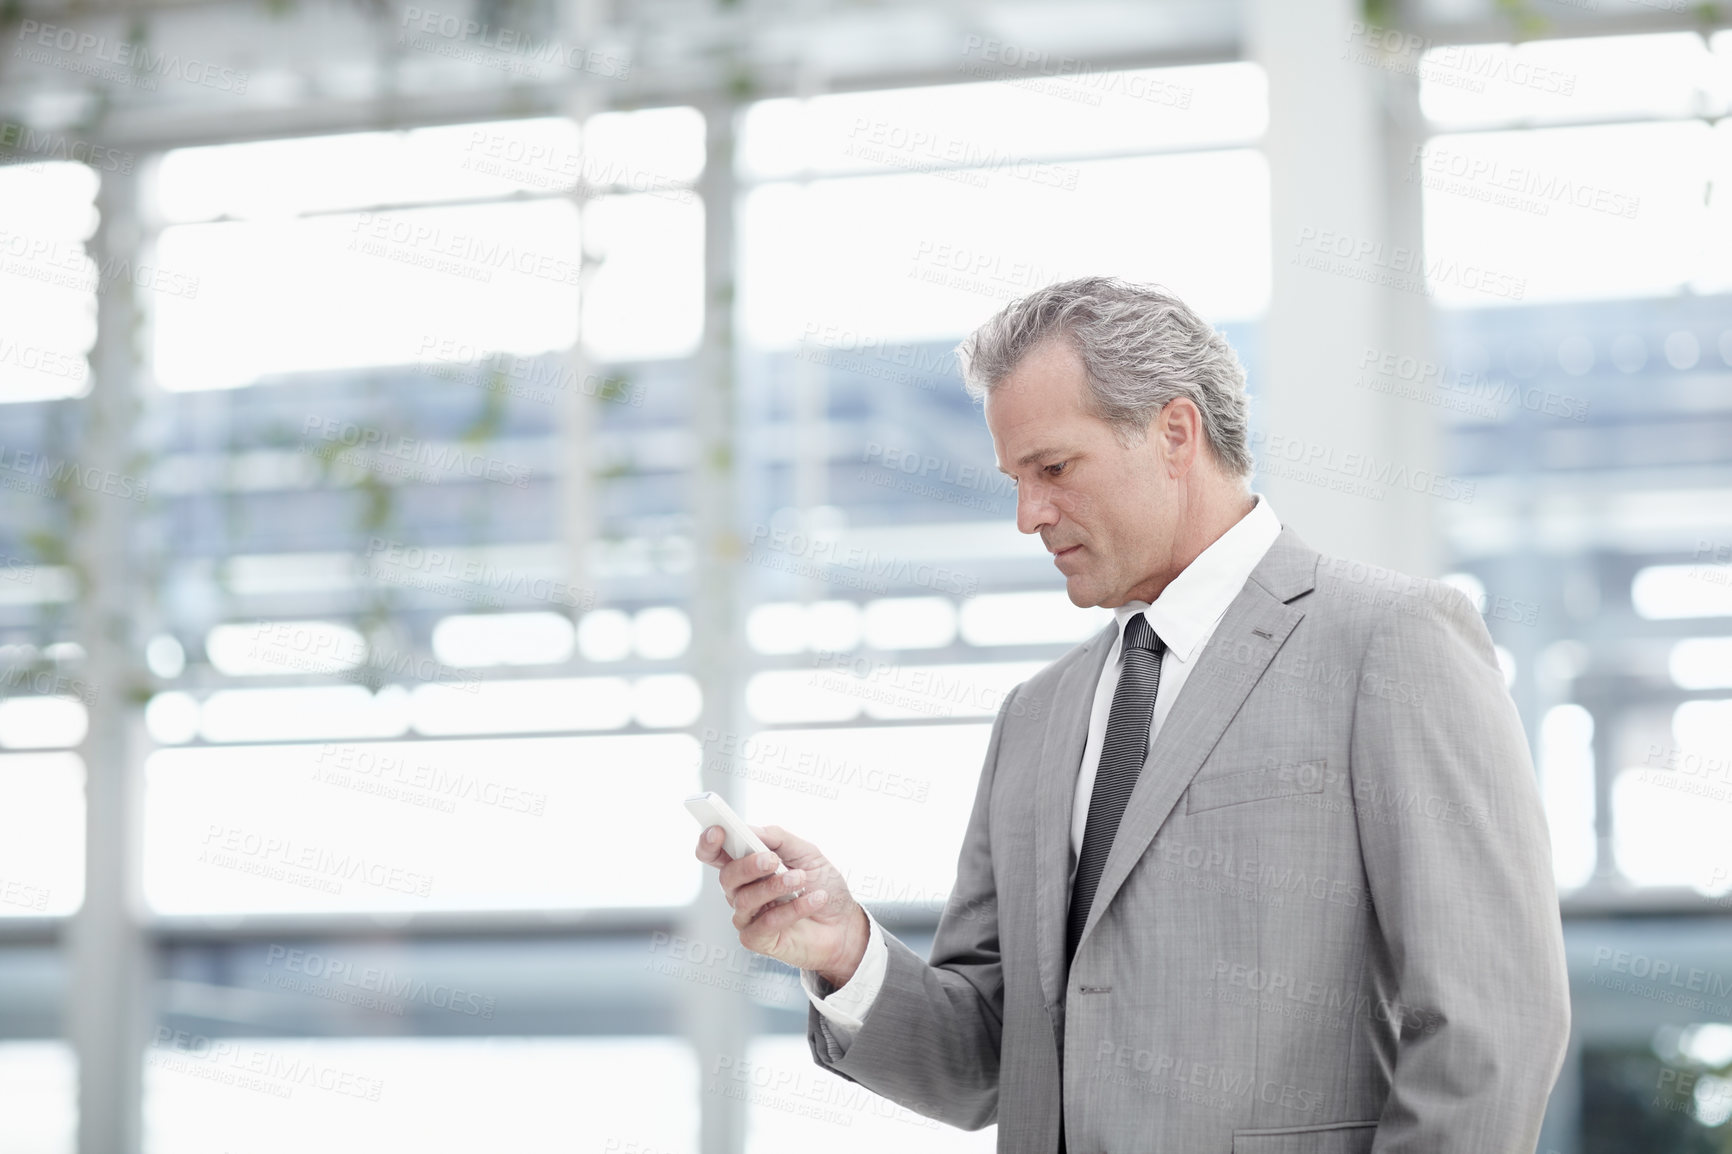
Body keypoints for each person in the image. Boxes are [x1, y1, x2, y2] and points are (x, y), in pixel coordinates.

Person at [694, 277, 1570, 1154]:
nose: (1027, 514)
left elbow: (1492, 1024)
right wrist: (845, 950)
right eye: (1016, 479)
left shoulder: (1391, 641)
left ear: (1174, 433)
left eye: (1053, 469)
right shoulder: (1035, 719)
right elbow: (989, 1065)